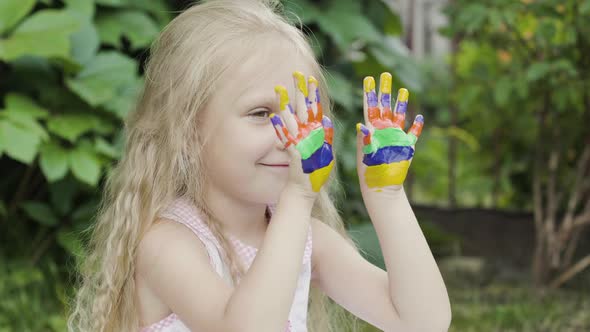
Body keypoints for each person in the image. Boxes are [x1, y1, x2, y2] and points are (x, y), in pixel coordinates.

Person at [67, 0, 451, 331]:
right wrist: (298, 199)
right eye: (261, 112)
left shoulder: (304, 238)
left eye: (304, 112)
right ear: (186, 130)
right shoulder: (169, 245)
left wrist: (388, 197)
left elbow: (421, 323)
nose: (292, 135)